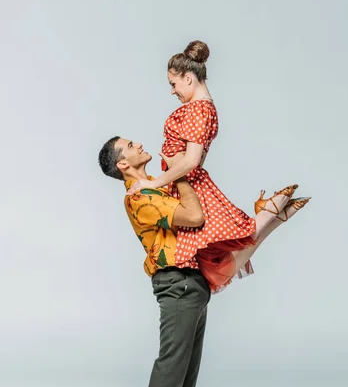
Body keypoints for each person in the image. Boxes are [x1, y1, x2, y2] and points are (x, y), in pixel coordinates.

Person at [129, 40, 310, 293]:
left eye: (173, 84)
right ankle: (275, 214)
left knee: (214, 254)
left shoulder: (197, 110)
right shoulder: (202, 108)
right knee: (212, 259)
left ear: (189, 78)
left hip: (190, 186)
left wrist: (154, 182)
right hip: (183, 184)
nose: (172, 91)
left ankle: (271, 212)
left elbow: (192, 161)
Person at [98, 136, 217, 387]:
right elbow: (194, 217)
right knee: (171, 364)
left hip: (191, 279)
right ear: (123, 165)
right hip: (175, 282)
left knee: (187, 364)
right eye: (130, 146)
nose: (138, 144)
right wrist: (180, 172)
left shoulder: (154, 188)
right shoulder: (141, 196)